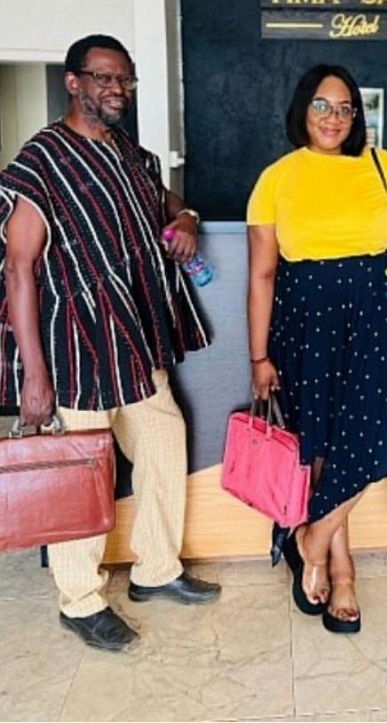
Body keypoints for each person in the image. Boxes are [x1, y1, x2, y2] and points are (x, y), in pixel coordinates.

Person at [0, 34, 221, 653]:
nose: (117, 89)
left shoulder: (131, 154)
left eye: (125, 79)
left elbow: (168, 201)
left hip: (135, 337)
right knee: (82, 472)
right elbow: (18, 267)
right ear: (73, 82)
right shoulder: (41, 160)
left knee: (163, 442)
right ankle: (80, 601)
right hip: (75, 347)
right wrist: (34, 377)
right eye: (103, 77)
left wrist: (186, 218)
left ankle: (156, 569)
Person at [246, 64, 387, 634]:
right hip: (304, 323)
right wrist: (259, 356)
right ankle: (341, 569)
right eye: (321, 105)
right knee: (322, 445)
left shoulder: (384, 167)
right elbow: (262, 274)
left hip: (375, 320)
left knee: (386, 430)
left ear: (357, 116)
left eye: (344, 108)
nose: (333, 118)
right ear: (302, 110)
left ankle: (312, 540)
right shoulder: (276, 179)